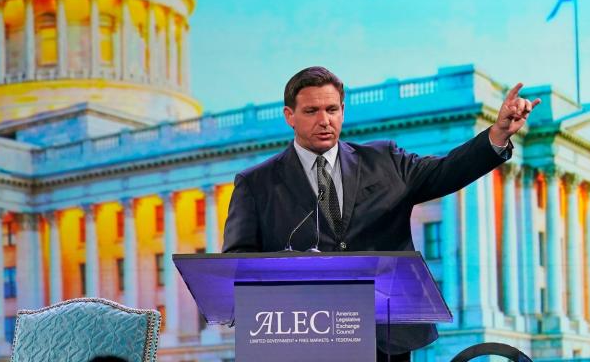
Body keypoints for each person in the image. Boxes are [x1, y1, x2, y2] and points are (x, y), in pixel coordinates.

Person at [222, 66, 540, 361]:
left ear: (343, 111)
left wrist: (498, 134)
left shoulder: (384, 159)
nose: (324, 120)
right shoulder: (256, 184)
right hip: (307, 338)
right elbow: (239, 265)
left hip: (386, 337)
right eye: (311, 111)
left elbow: (446, 171)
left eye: (332, 110)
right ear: (289, 116)